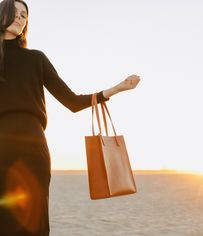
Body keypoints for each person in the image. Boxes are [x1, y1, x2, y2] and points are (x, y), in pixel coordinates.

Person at [0, 0, 140, 235]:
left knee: (33, 219)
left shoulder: (36, 58)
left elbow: (72, 102)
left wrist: (115, 89)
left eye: (25, 15)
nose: (21, 18)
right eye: (16, 12)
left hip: (33, 148)